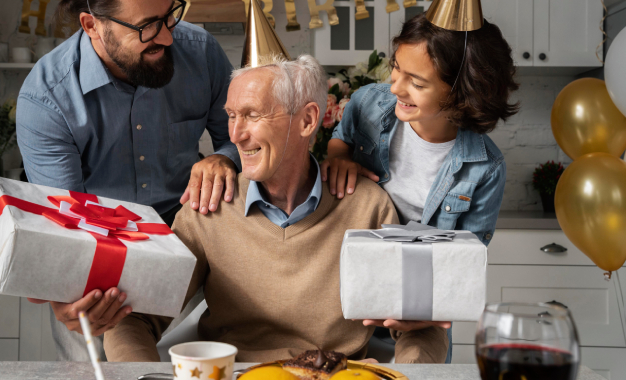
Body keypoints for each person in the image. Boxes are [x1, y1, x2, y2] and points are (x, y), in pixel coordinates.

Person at [103, 55, 451, 363]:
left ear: (307, 121)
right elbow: (132, 318)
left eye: (252, 114)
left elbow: (419, 325)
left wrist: (411, 374)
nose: (235, 135)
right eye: (231, 116)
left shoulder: (367, 207)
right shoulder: (208, 206)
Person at [16, 0, 240, 360]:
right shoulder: (46, 97)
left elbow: (244, 137)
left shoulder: (201, 52)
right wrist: (64, 298)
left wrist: (224, 157)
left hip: (192, 256)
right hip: (99, 273)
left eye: (169, 14)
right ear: (92, 25)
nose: (168, 36)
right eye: (147, 26)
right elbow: (65, 225)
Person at [321, 0, 519, 363]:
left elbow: (466, 257)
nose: (395, 87)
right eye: (396, 67)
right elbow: (345, 128)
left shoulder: (485, 168)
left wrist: (427, 311)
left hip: (422, 299)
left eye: (417, 81)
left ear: (464, 90)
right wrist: (337, 154)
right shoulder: (372, 104)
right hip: (346, 283)